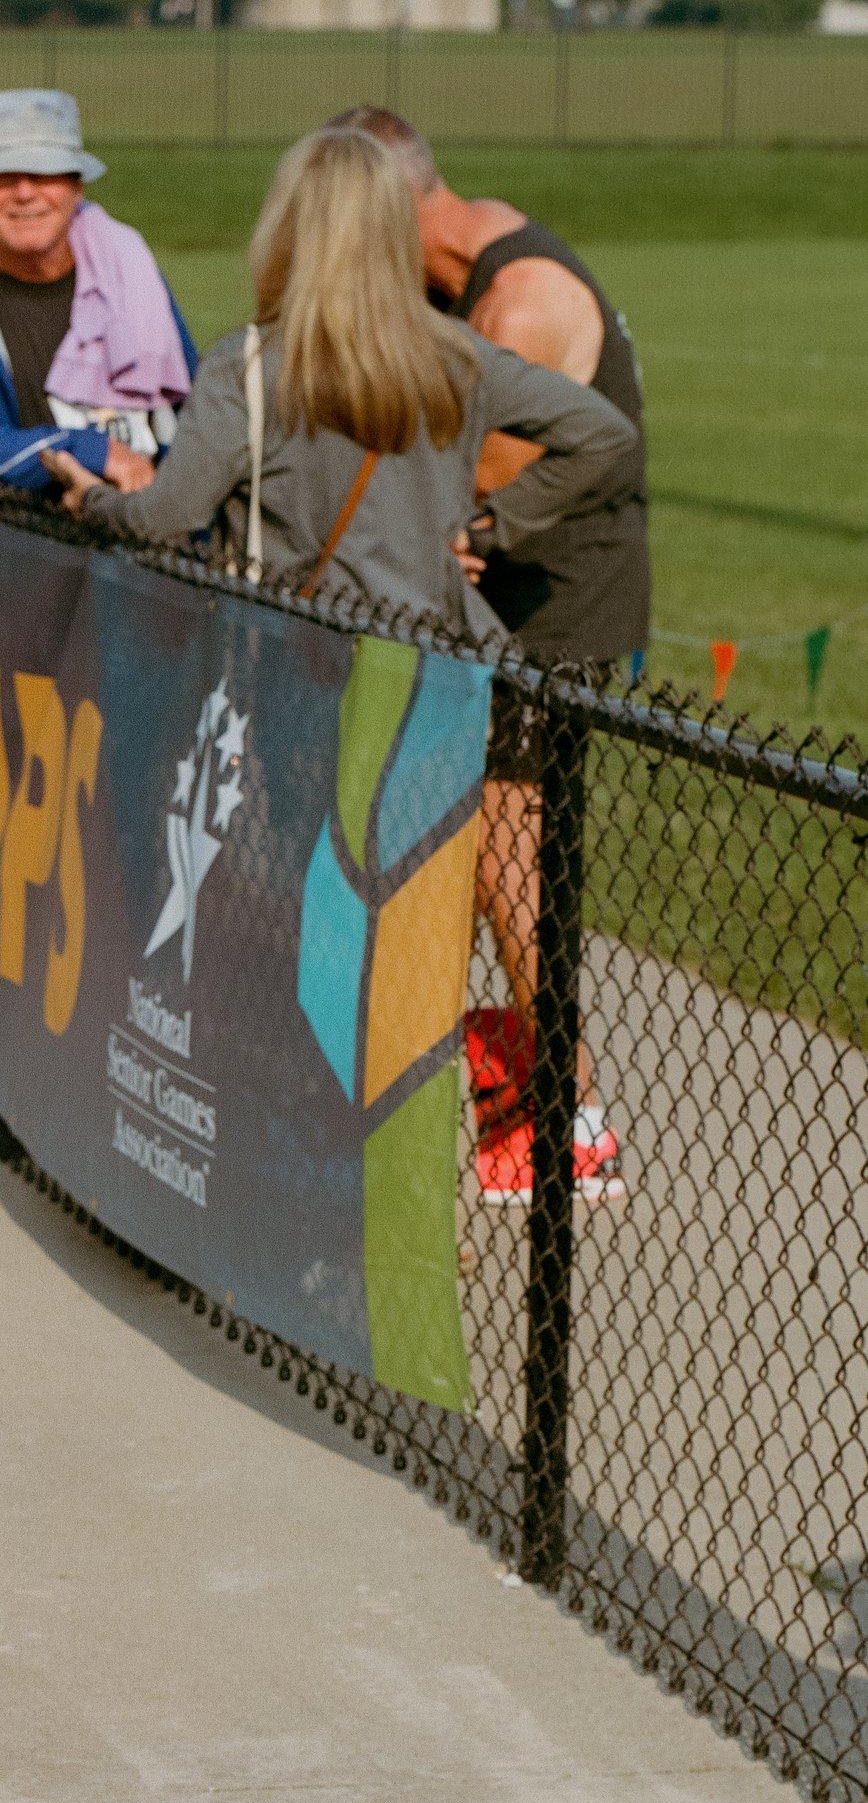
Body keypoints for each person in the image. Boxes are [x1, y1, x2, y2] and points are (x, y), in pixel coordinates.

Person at [322, 106, 649, 1194]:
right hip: (495, 602)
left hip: (550, 612)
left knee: (510, 854)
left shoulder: (517, 300)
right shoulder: (475, 256)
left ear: (399, 206)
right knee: (456, 855)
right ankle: (488, 1097)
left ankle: (569, 1112)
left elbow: (474, 482)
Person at [41, 125, 638, 647]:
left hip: (287, 660)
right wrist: (484, 532)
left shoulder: (246, 364)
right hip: (431, 671)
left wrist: (90, 498)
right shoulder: (459, 355)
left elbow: (165, 517)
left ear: (289, 226)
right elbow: (602, 432)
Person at [0, 86, 196, 497]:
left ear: (77, 185)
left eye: (45, 172)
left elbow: (194, 413)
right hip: (20, 550)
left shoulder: (130, 271)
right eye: (3, 175)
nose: (25, 192)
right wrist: (86, 451)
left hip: (157, 535)